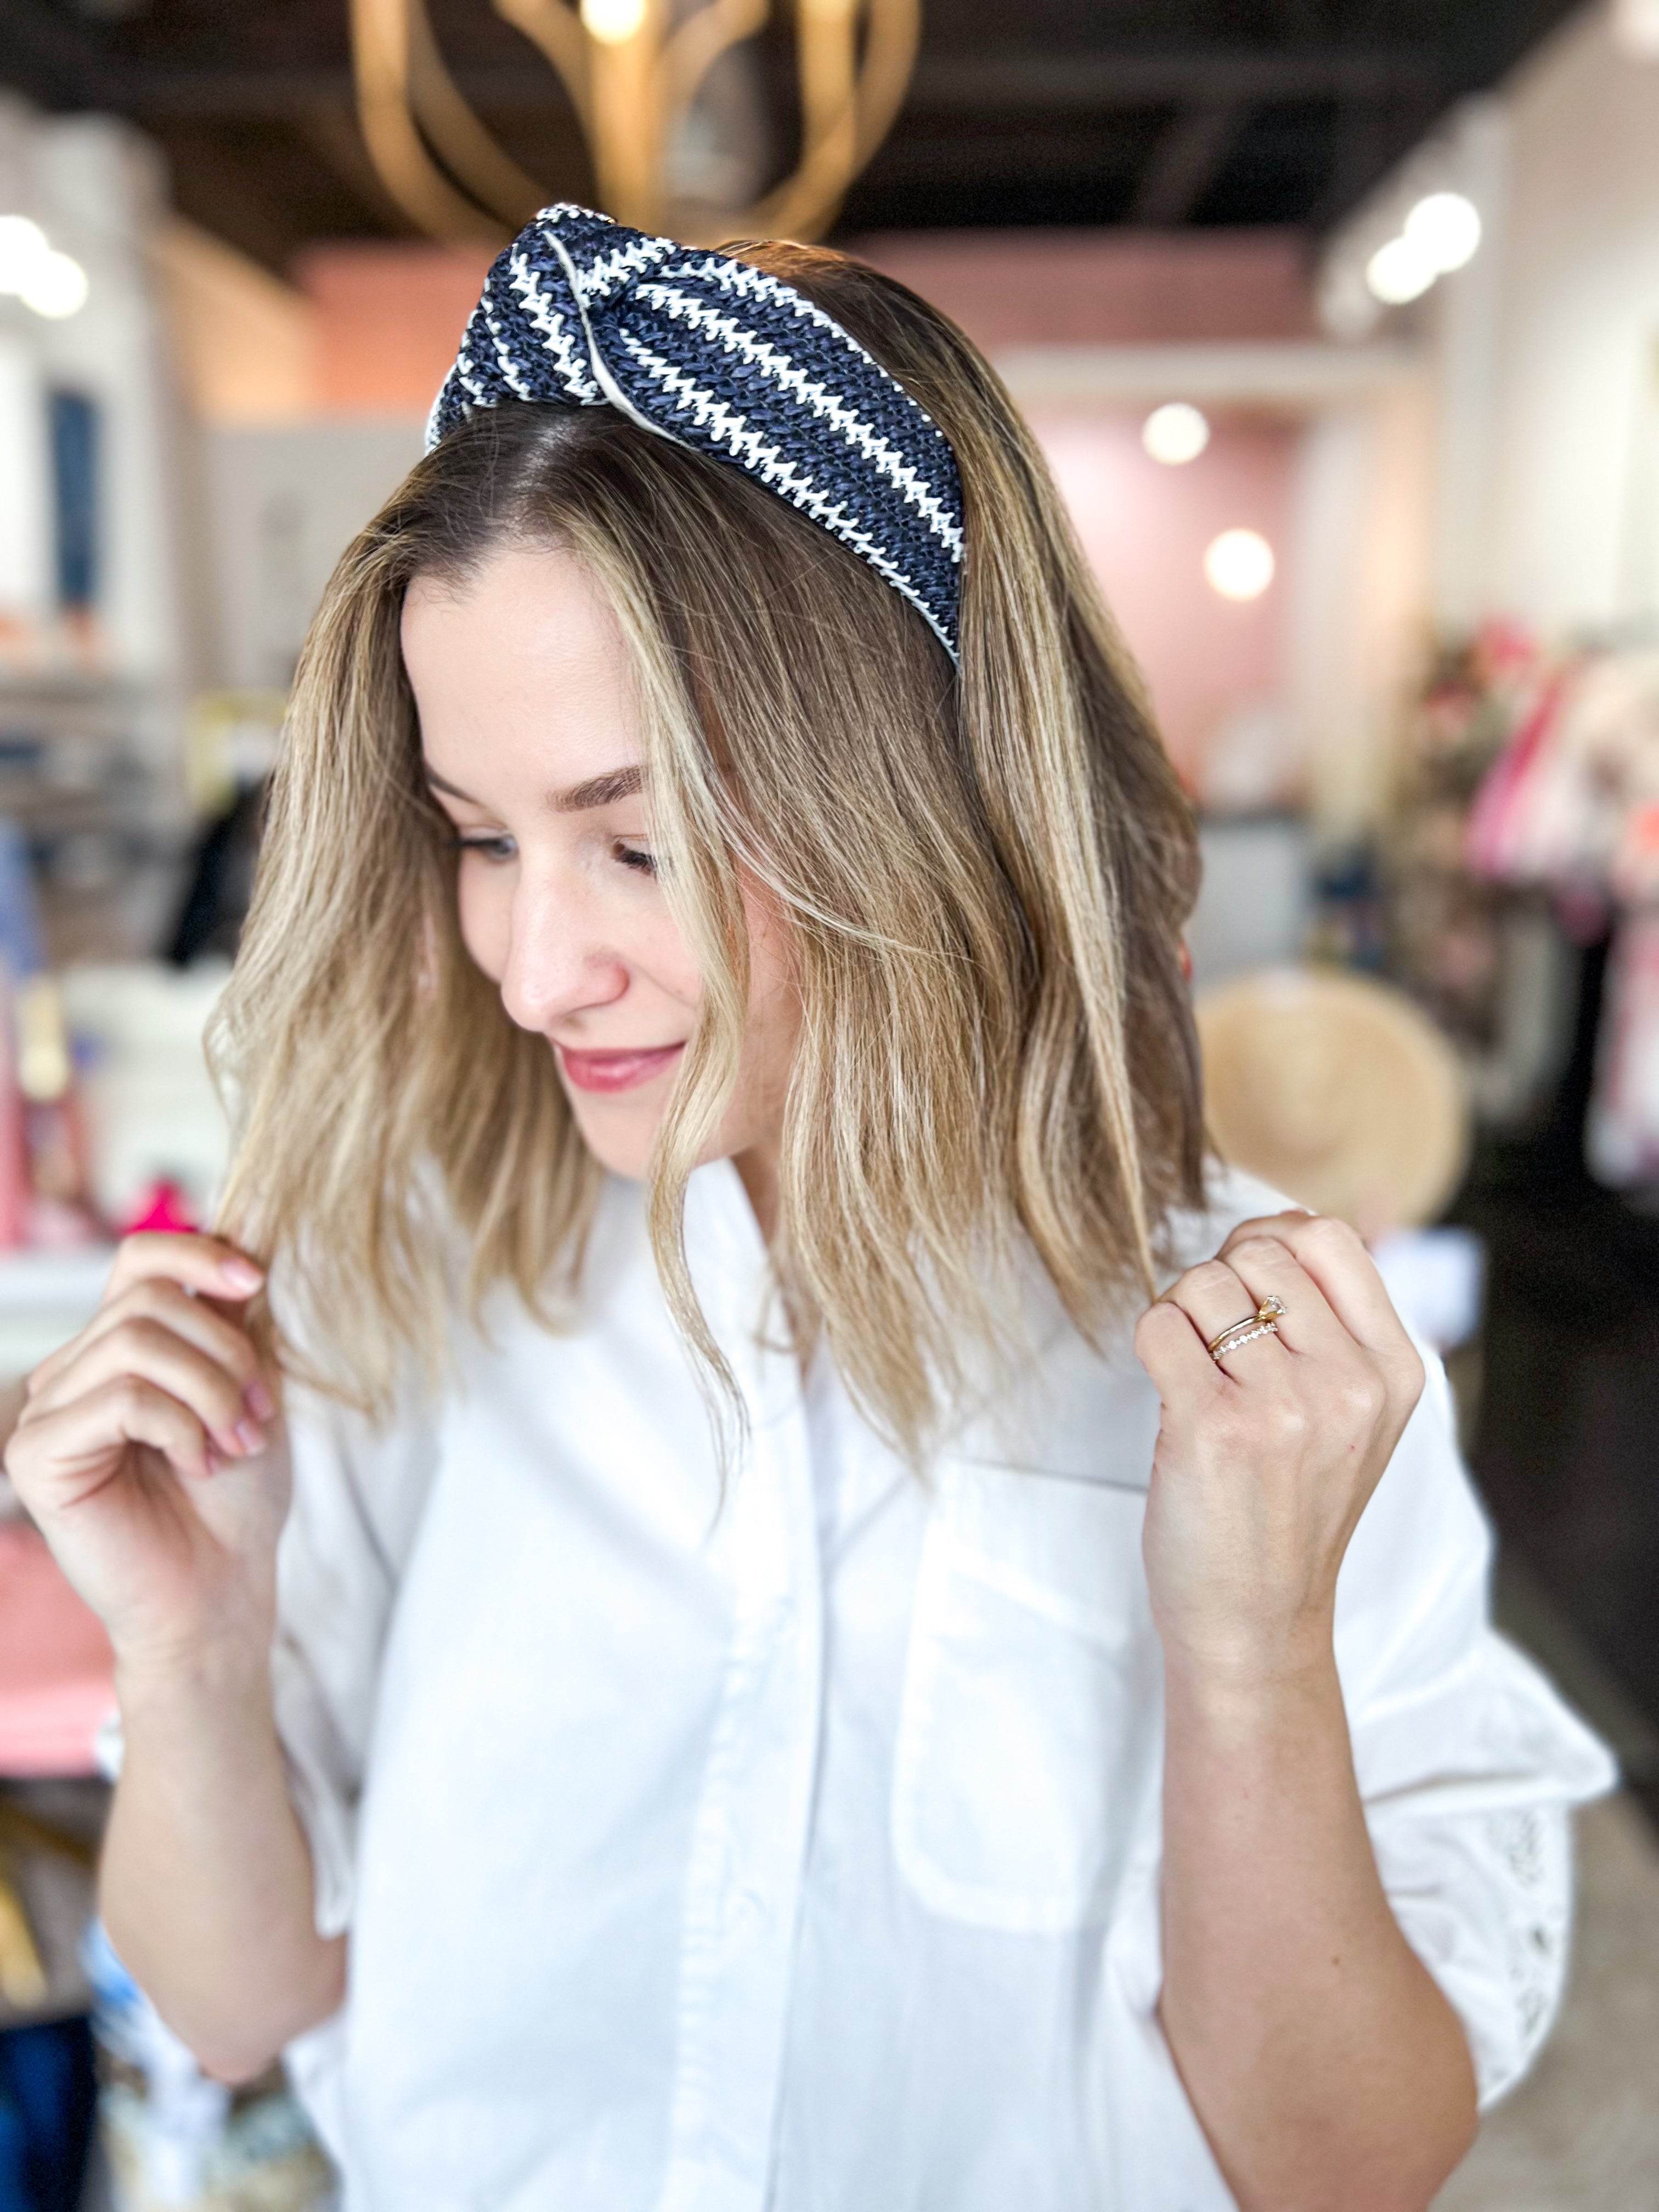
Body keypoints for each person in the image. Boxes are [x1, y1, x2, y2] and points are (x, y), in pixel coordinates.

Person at [4, 208, 1613, 2212]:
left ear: (915, 800)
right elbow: (238, 2012)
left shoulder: (1256, 1362)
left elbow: (1346, 2167)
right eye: (482, 840)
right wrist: (192, 1647)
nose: (532, 965)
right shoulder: (412, 1270)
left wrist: (1250, 1649)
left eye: (638, 842)